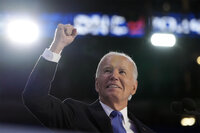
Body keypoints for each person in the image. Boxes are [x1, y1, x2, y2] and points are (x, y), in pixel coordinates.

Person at [22, 24, 155, 133]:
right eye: (107, 70)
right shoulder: (74, 115)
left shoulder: (146, 131)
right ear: (97, 84)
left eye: (122, 72)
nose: (114, 76)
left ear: (134, 87)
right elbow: (34, 98)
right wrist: (57, 45)